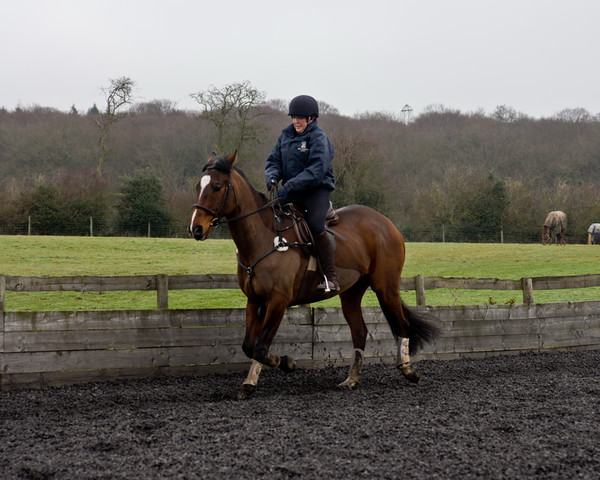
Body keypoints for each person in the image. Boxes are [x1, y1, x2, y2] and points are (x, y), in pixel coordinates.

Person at [265, 94, 340, 292]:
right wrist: (272, 177)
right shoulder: (285, 136)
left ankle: (330, 277)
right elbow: (273, 161)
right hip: (293, 188)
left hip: (316, 189)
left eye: (300, 117)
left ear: (311, 119)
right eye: (294, 117)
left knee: (315, 225)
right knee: (269, 213)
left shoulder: (318, 137)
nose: (296, 121)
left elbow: (316, 170)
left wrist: (288, 187)